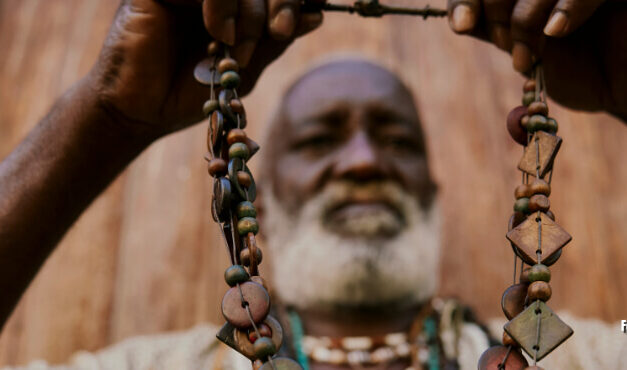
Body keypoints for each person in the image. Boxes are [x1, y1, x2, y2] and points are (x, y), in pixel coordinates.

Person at [0, 0, 625, 369]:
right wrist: (107, 115)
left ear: (435, 196)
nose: (362, 163)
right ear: (257, 202)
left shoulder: (580, 357)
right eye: (318, 141)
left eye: (398, 140)